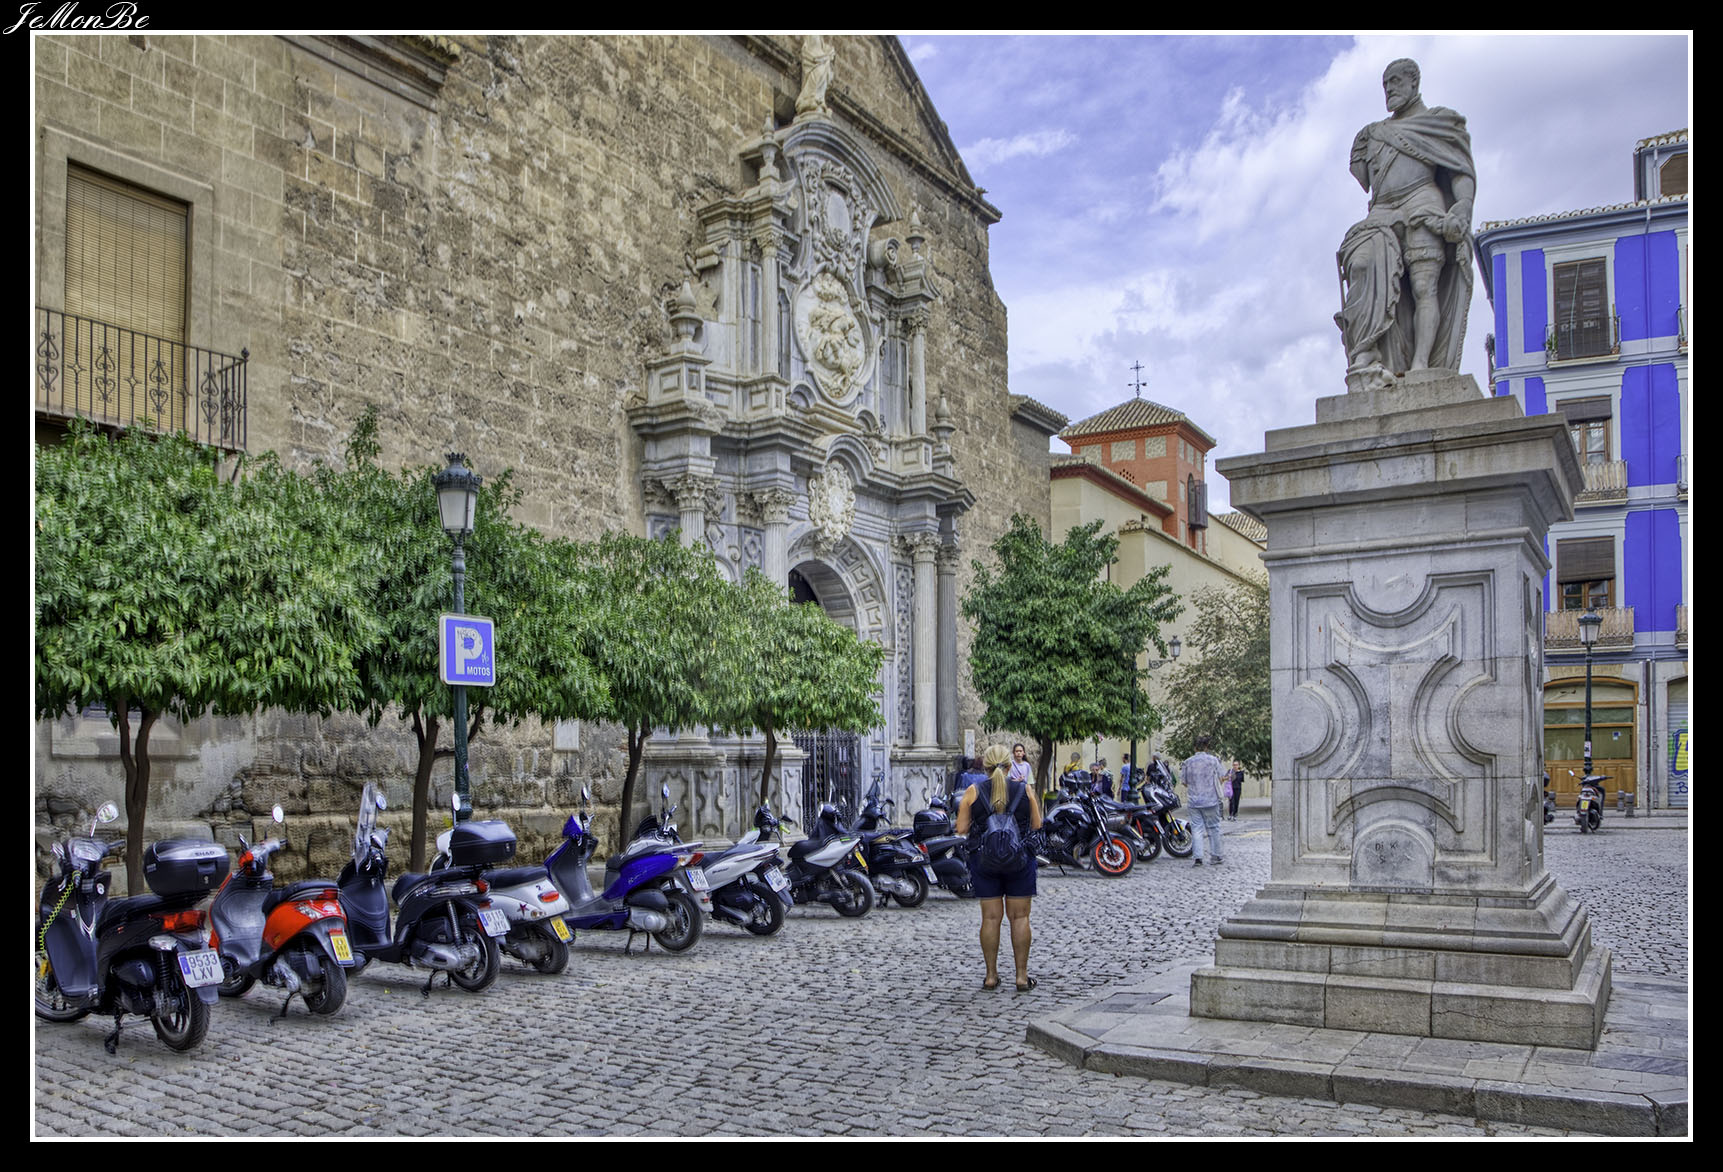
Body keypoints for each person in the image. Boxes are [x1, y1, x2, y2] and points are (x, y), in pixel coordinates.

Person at [1334, 58, 1475, 393]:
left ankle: (1421, 365)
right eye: (1385, 84)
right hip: (1382, 210)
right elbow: (1363, 178)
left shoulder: (1439, 122)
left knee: (1424, 286)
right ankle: (1367, 354)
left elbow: (1459, 171)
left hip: (1422, 200)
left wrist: (1463, 206)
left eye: (1396, 81)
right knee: (1361, 264)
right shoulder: (1371, 134)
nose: (1389, 89)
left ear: (1414, 82)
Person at [955, 742, 1044, 993]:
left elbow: (961, 828)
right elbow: (1037, 824)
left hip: (985, 862)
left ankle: (991, 976)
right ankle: (1021, 977)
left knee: (991, 918)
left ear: (985, 766)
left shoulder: (972, 791)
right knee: (1020, 917)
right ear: (1009, 765)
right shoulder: (1024, 790)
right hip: (1020, 860)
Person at [1180, 736, 1226, 867]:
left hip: (1194, 801)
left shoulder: (1187, 762)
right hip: (1211, 799)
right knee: (1214, 827)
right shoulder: (1213, 760)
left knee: (1196, 829)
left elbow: (1184, 782)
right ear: (1206, 747)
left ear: (1195, 747)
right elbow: (1221, 777)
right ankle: (1216, 855)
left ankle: (1198, 858)